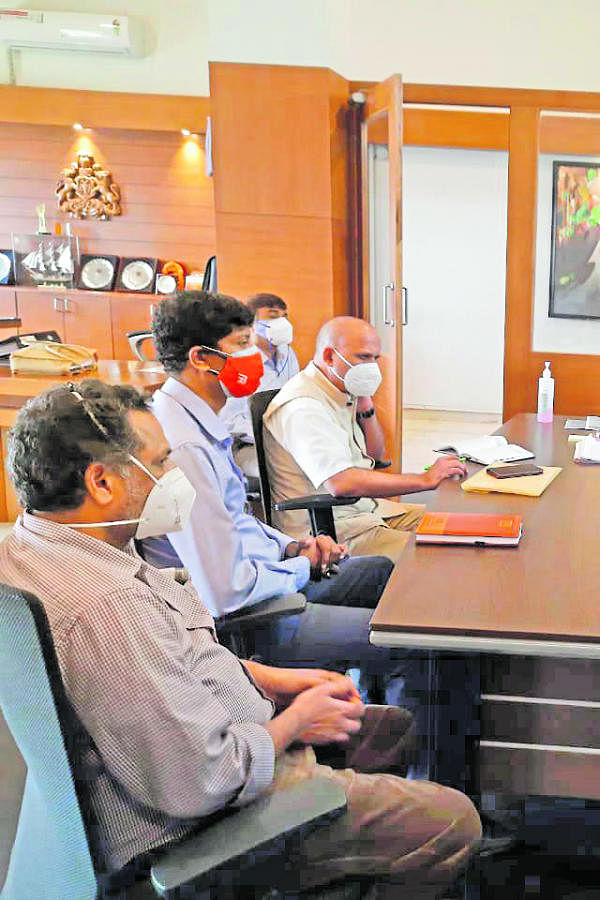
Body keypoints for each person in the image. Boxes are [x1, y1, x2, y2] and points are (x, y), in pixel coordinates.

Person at [0, 379, 480, 896]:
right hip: (197, 824)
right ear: (101, 484)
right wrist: (297, 721)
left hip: (213, 743)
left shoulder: (39, 546)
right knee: (456, 822)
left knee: (390, 729)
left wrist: (271, 680)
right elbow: (202, 778)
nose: (172, 476)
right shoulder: (106, 607)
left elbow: (170, 660)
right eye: (161, 464)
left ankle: (345, 842)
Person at [139, 291, 408, 685]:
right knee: (411, 638)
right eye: (243, 345)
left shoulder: (198, 421)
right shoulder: (183, 447)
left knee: (379, 572)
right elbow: (225, 593)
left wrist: (290, 546)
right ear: (200, 358)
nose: (256, 358)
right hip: (249, 621)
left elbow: (234, 519)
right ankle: (385, 733)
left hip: (261, 577)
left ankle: (355, 709)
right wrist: (300, 567)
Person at [263, 316, 465, 559]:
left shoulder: (338, 388)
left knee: (464, 527)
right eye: (364, 357)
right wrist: (424, 480)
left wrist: (366, 409)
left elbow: (376, 455)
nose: (372, 367)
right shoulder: (304, 407)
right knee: (451, 554)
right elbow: (342, 483)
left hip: (367, 512)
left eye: (375, 359)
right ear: (329, 357)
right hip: (333, 533)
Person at [218, 292, 302, 476]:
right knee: (288, 470)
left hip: (285, 439)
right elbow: (228, 420)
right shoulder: (237, 361)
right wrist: (269, 436)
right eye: (273, 317)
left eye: (284, 317)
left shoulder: (288, 354)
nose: (282, 323)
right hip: (246, 446)